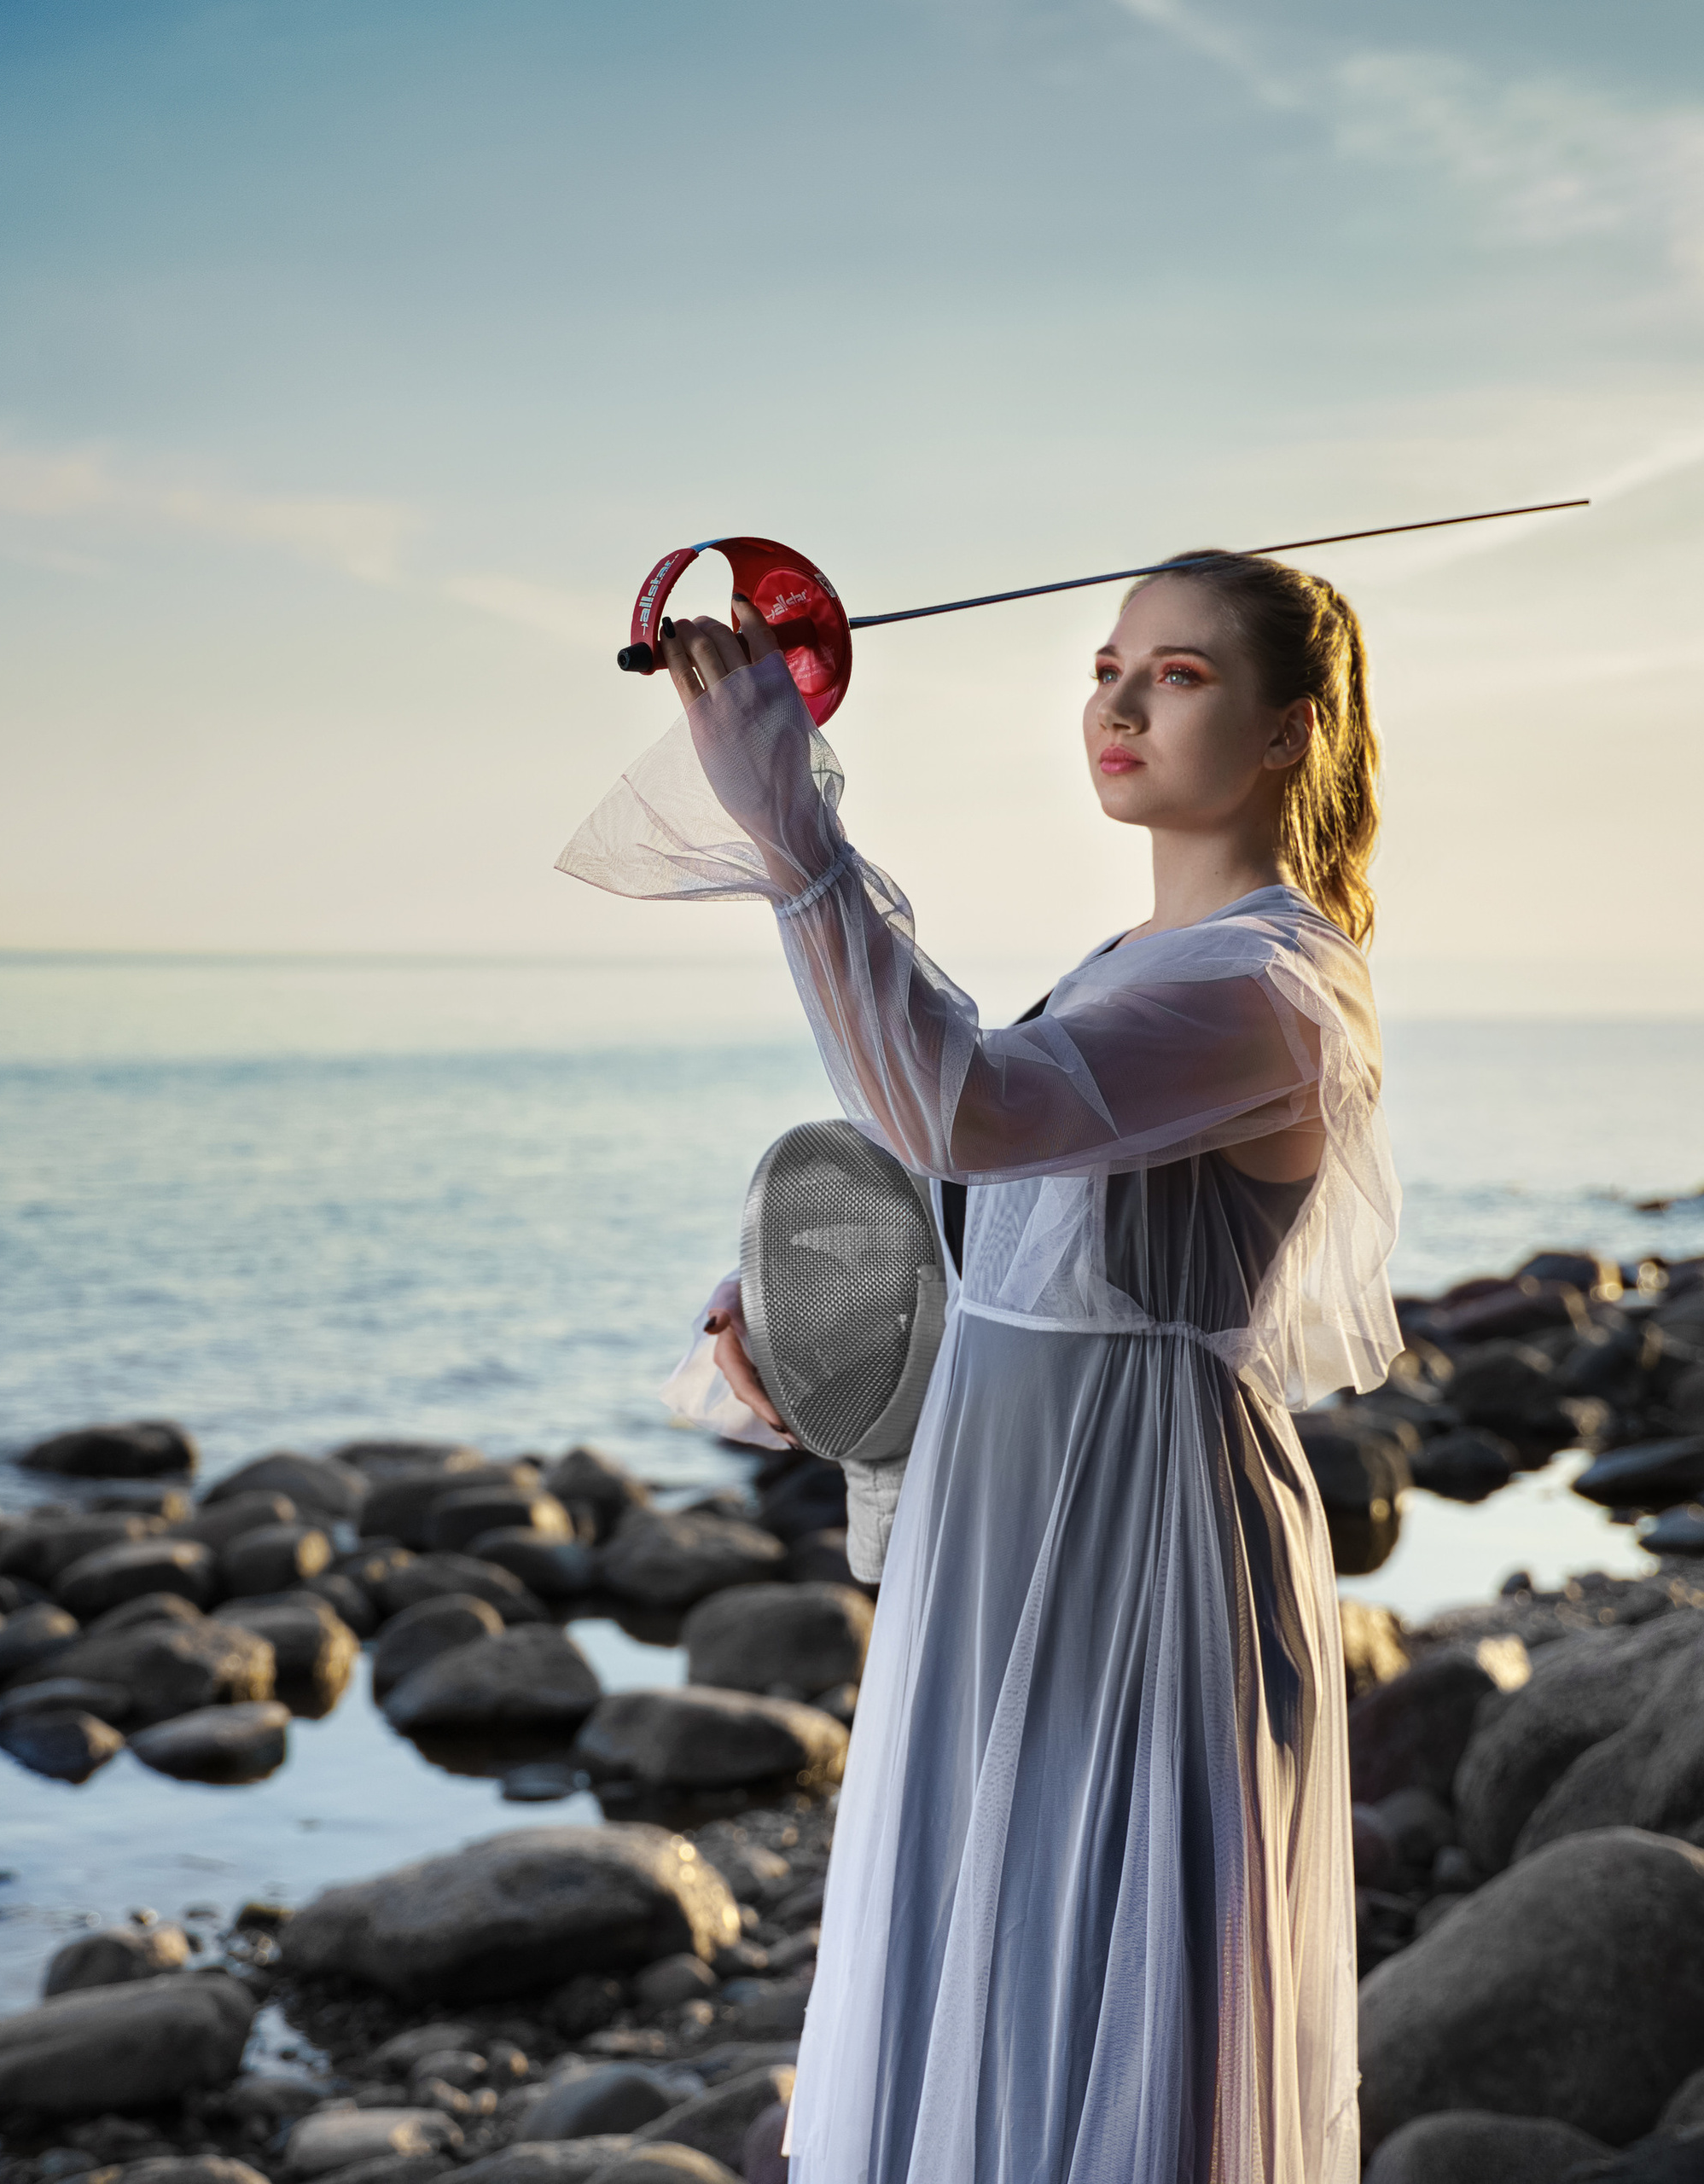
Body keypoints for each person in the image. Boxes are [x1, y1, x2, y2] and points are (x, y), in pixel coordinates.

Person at [558, 550, 1401, 2182]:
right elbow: (1003, 1243)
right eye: (1106, 667)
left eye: (1177, 674)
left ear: (1290, 731)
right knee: (976, 1955)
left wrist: (793, 830)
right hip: (1005, 1525)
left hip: (1137, 1541)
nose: (1119, 700)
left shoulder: (1273, 985)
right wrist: (807, 1320)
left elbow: (964, 1107)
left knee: (1088, 1975)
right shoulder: (1129, 963)